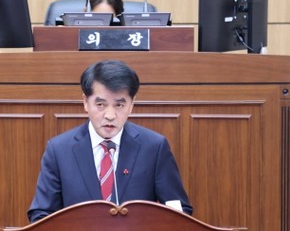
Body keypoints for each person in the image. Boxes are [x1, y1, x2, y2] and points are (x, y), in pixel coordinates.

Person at [28, 59, 192, 222]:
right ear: (85, 102)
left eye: (119, 105)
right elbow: (41, 214)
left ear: (132, 104)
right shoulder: (59, 150)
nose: (110, 115)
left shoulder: (154, 148)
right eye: (100, 104)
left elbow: (178, 211)